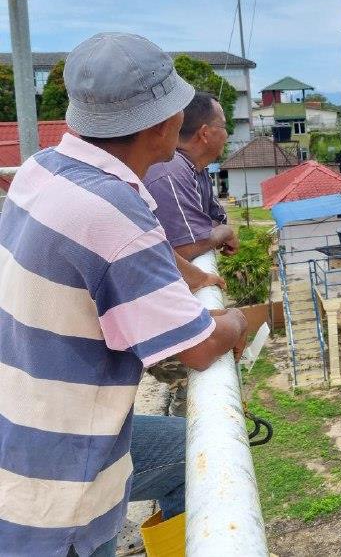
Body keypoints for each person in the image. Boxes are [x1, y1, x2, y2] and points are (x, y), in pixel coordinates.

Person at [0, 33, 249, 557]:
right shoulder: (112, 213)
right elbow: (199, 347)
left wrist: (191, 275)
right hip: (59, 489)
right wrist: (239, 322)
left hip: (17, 429)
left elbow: (127, 250)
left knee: (182, 449)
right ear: (161, 125)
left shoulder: (42, 169)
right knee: (189, 460)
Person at [144, 91, 238, 261]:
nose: (227, 135)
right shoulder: (170, 172)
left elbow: (216, 218)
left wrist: (212, 230)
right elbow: (185, 247)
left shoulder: (196, 169)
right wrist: (225, 232)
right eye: (224, 127)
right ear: (205, 134)